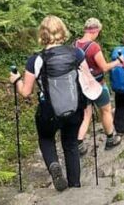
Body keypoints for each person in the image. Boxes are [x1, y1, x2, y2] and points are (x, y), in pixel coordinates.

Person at [9, 15, 89, 192]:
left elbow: (25, 92)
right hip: (75, 108)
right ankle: (75, 185)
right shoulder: (77, 53)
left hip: (49, 111)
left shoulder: (35, 60)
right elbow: (87, 81)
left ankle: (53, 164)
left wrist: (16, 81)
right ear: (62, 31)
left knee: (46, 138)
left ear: (42, 34)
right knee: (70, 144)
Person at [74, 18, 122, 154]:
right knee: (106, 110)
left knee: (86, 114)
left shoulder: (75, 44)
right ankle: (110, 139)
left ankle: (79, 144)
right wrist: (118, 62)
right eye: (98, 32)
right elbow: (104, 67)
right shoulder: (93, 47)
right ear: (95, 31)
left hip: (82, 86)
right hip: (97, 85)